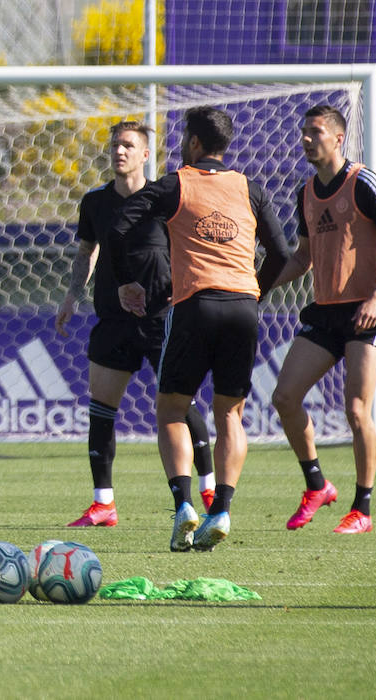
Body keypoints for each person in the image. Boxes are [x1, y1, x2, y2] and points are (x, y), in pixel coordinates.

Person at [113, 106, 289, 552]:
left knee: (172, 409)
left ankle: (184, 507)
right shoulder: (250, 189)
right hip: (242, 308)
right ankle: (223, 509)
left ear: (192, 142)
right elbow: (282, 254)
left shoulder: (176, 184)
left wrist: (127, 282)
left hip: (195, 307)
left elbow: (119, 223)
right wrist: (255, 292)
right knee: (230, 413)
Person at [55, 121, 215, 527]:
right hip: (112, 318)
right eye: (115, 145)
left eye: (128, 145)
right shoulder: (95, 203)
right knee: (101, 408)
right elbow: (86, 252)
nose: (119, 151)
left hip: (163, 316)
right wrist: (73, 294)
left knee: (181, 404)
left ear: (146, 154)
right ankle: (103, 504)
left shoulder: (164, 198)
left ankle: (209, 487)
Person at [267, 104, 376, 534]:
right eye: (304, 132)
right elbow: (303, 258)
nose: (307, 139)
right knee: (284, 398)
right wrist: (260, 286)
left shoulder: (363, 182)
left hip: (366, 311)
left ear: (337, 138)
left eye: (315, 132)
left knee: (355, 409)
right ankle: (316, 485)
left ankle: (362, 509)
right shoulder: (306, 191)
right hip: (326, 313)